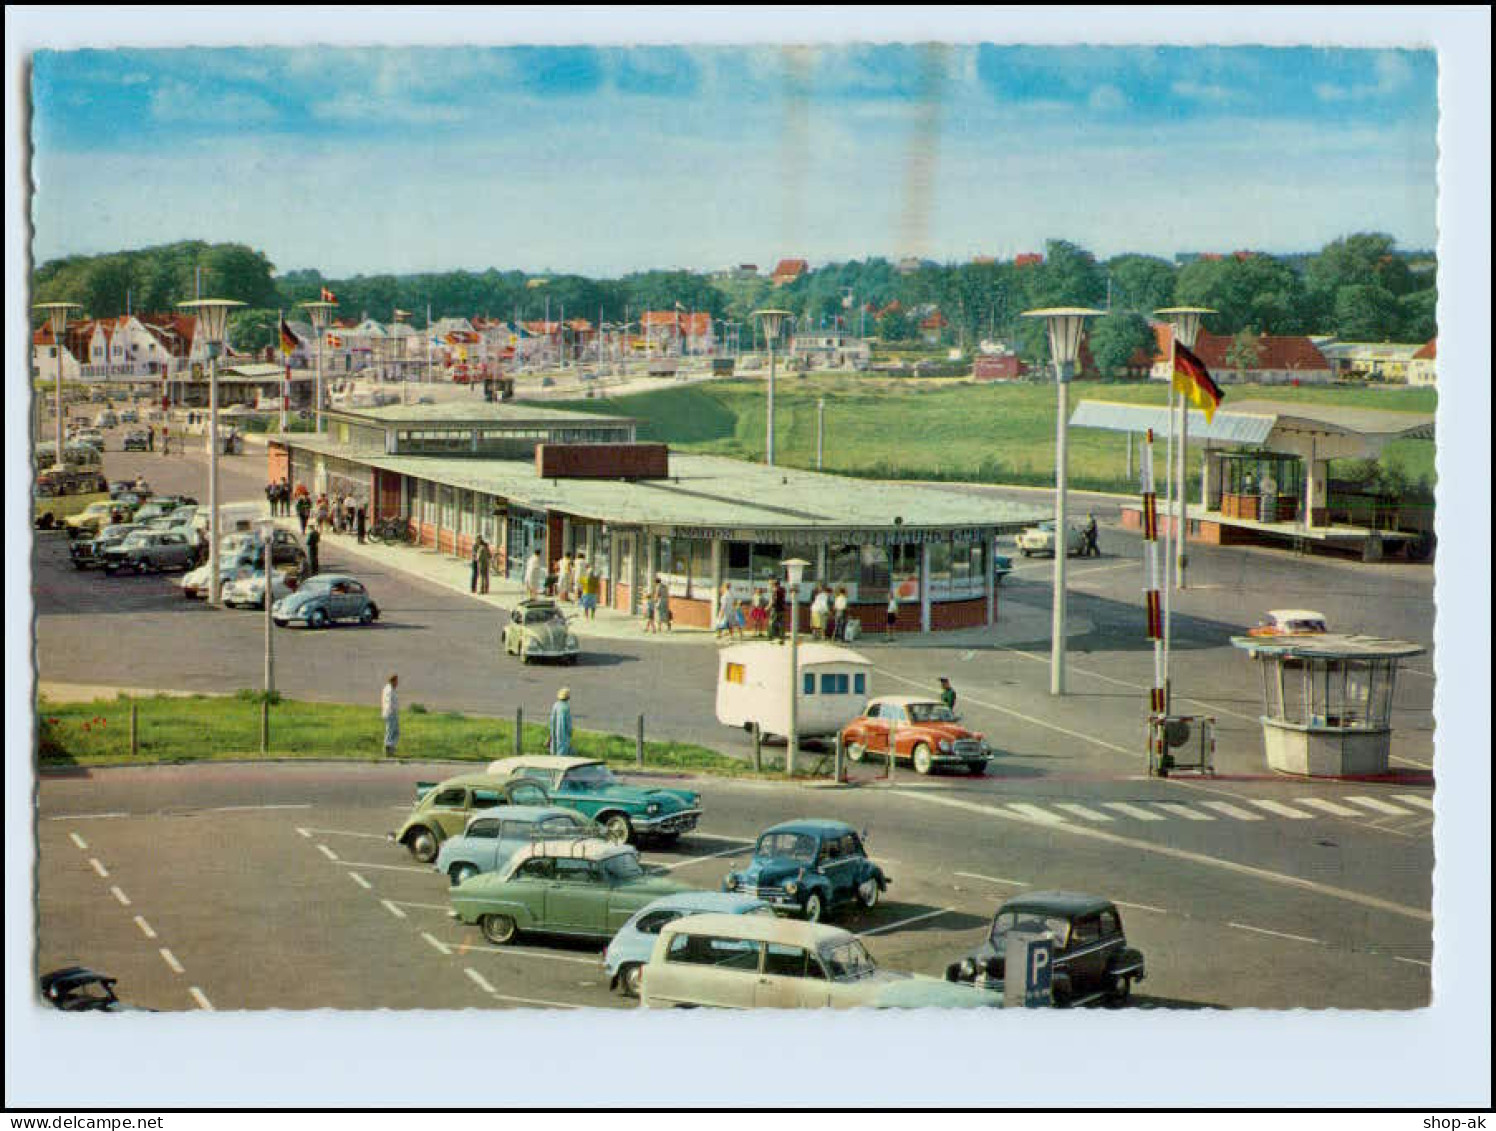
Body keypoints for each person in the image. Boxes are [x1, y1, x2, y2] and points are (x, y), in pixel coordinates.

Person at [549, 687, 573, 756]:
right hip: (563, 735)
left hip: (554, 734)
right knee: (562, 751)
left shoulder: (555, 705)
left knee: (554, 750)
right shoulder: (566, 707)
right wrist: (570, 733)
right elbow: (568, 725)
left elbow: (551, 721)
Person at [381, 674, 400, 757]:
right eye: (396, 681)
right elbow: (388, 702)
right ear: (393, 680)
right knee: (391, 731)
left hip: (390, 713)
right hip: (391, 713)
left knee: (394, 731)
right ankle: (388, 749)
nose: (397, 683)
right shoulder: (389, 690)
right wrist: (391, 712)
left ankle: (390, 747)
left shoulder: (389, 688)